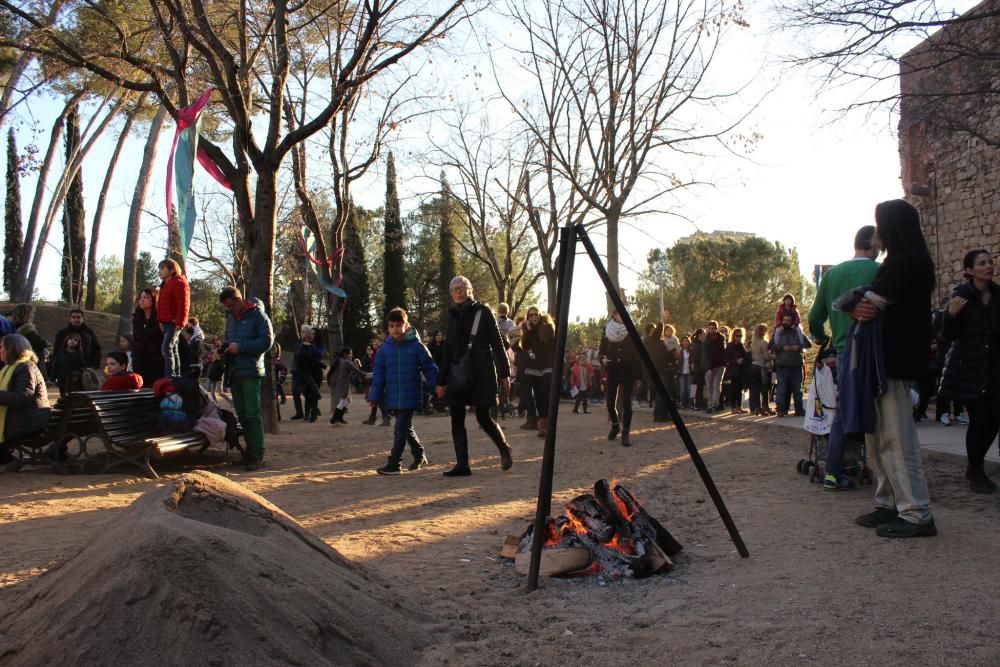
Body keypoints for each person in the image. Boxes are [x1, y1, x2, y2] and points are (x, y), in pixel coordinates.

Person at [849, 198, 936, 538]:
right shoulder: (902, 262)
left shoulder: (905, 263)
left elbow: (867, 307)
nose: (878, 234)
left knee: (897, 441)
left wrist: (854, 305)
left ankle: (916, 513)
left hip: (895, 362)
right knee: (879, 438)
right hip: (885, 361)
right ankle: (888, 503)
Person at [807, 224, 881, 490]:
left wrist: (821, 338)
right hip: (875, 348)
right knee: (881, 406)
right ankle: (878, 469)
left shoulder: (832, 275)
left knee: (842, 410)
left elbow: (815, 318)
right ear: (875, 246)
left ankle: (834, 469)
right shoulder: (878, 270)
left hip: (842, 350)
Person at [435, 276, 513, 476]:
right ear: (451, 294)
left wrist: (505, 374)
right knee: (457, 417)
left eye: (462, 288)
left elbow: (497, 344)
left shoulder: (483, 311)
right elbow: (448, 350)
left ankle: (504, 448)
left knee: (483, 416)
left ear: (470, 290)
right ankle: (462, 464)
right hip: (457, 373)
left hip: (482, 372)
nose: (458, 291)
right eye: (454, 289)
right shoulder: (451, 316)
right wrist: (441, 381)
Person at [938, 249, 1000, 494]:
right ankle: (975, 469)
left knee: (994, 420)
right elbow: (948, 335)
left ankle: (976, 466)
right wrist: (951, 315)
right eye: (982, 263)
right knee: (978, 421)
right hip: (970, 369)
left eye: (990, 262)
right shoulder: (961, 297)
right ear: (970, 270)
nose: (989, 266)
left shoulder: (997, 295)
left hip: (994, 367)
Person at [370, 309, 439, 474]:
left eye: (398, 325)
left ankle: (394, 463)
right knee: (405, 428)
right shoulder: (384, 350)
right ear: (388, 328)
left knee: (400, 428)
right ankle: (419, 453)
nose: (395, 329)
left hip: (410, 394)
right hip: (392, 396)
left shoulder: (417, 347)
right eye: (392, 326)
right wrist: (374, 396)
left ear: (406, 325)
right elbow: (378, 375)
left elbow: (430, 368)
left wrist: (438, 385)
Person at [220, 286, 275, 471]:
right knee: (242, 414)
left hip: (251, 370)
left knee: (252, 414)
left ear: (238, 300)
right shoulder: (231, 318)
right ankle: (249, 453)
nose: (229, 310)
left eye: (230, 306)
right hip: (235, 371)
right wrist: (224, 348)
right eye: (226, 308)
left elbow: (267, 342)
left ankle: (258, 454)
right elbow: (229, 339)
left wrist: (240, 347)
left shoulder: (258, 316)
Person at [0, 334, 51, 472]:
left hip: (28, 423)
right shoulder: (11, 368)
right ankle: (5, 459)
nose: (0, 350)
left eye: (2, 347)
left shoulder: (25, 368)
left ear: (11, 349)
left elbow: (22, 398)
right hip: (24, 420)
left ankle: (6, 459)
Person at [513, 306, 556, 438]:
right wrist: (528, 330)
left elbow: (547, 345)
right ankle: (542, 426)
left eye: (535, 314)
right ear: (528, 317)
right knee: (537, 396)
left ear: (540, 314)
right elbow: (525, 347)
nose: (533, 317)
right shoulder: (526, 330)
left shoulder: (548, 327)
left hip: (547, 365)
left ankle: (546, 424)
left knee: (545, 394)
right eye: (530, 315)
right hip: (533, 367)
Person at [600, 309, 639, 446]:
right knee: (610, 402)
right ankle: (615, 425)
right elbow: (602, 351)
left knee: (627, 404)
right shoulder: (607, 330)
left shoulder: (631, 330)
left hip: (628, 371)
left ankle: (626, 433)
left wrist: (639, 374)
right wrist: (602, 360)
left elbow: (637, 353)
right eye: (619, 314)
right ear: (614, 315)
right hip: (613, 370)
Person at [771, 313, 811, 417]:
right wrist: (782, 348)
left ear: (792, 321)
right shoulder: (777, 332)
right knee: (781, 389)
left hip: (796, 365)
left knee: (798, 390)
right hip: (782, 365)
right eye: (784, 320)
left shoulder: (798, 332)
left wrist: (798, 347)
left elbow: (808, 344)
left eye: (788, 320)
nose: (786, 322)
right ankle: (780, 409)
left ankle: (799, 409)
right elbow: (771, 346)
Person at [157, 259, 191, 377]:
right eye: (159, 269)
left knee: (166, 348)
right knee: (173, 349)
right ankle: (176, 376)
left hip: (174, 322)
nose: (159, 272)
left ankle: (170, 377)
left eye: (162, 268)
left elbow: (183, 304)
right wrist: (160, 320)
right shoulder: (164, 285)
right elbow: (162, 305)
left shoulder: (179, 283)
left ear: (172, 270)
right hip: (166, 322)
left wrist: (180, 321)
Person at [291, 325, 326, 422]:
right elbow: (298, 354)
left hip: (317, 373)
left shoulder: (319, 346)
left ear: (317, 335)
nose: (311, 335)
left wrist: (311, 347)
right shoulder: (304, 344)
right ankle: (307, 414)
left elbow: (319, 354)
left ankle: (312, 415)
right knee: (307, 393)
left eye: (313, 334)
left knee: (313, 396)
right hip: (307, 372)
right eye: (311, 333)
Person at [132, 288, 165, 386]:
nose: (142, 300)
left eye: (145, 297)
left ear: (154, 299)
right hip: (139, 363)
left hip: (156, 364)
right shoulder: (136, 318)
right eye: (140, 297)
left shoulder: (161, 319)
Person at [9, 304, 50, 368]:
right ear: (25, 315)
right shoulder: (29, 332)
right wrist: (43, 344)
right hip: (28, 367)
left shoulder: (10, 329)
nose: (33, 316)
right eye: (31, 313)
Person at [328, 347, 362, 425]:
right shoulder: (344, 362)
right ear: (345, 354)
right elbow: (356, 372)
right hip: (341, 384)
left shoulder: (342, 361)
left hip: (343, 383)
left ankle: (339, 418)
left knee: (348, 400)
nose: (352, 355)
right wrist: (365, 375)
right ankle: (333, 419)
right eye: (350, 354)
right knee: (343, 401)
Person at [748, 324, 773, 416]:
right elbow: (766, 357)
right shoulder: (764, 342)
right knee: (765, 388)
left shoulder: (753, 342)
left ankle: (756, 407)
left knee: (755, 389)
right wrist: (773, 357)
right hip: (761, 367)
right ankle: (765, 406)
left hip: (753, 366)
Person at [702, 321, 726, 414]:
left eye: (713, 328)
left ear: (716, 329)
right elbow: (705, 355)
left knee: (717, 385)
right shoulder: (706, 340)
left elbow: (722, 352)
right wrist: (708, 368)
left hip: (719, 365)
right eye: (710, 328)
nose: (712, 330)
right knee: (709, 386)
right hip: (709, 367)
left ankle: (714, 405)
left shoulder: (721, 338)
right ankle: (709, 404)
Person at [724, 328, 748, 414]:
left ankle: (739, 406)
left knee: (739, 390)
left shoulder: (741, 346)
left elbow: (745, 356)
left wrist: (743, 359)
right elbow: (726, 359)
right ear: (733, 336)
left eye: (740, 336)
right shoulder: (730, 346)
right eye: (737, 335)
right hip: (733, 371)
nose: (738, 337)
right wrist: (736, 361)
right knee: (734, 389)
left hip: (741, 371)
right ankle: (733, 407)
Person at [677, 335, 693, 409]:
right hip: (682, 372)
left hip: (690, 372)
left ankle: (690, 403)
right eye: (683, 341)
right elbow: (679, 362)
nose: (685, 343)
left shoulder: (691, 350)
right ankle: (682, 403)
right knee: (682, 389)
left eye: (686, 341)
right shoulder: (680, 351)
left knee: (690, 389)